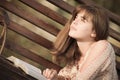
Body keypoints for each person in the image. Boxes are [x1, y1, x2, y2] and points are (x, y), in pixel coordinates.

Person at [43, 5, 118, 80]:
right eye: (76, 18)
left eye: (83, 20)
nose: (75, 21)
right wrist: (56, 77)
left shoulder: (103, 46)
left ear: (94, 32)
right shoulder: (76, 59)